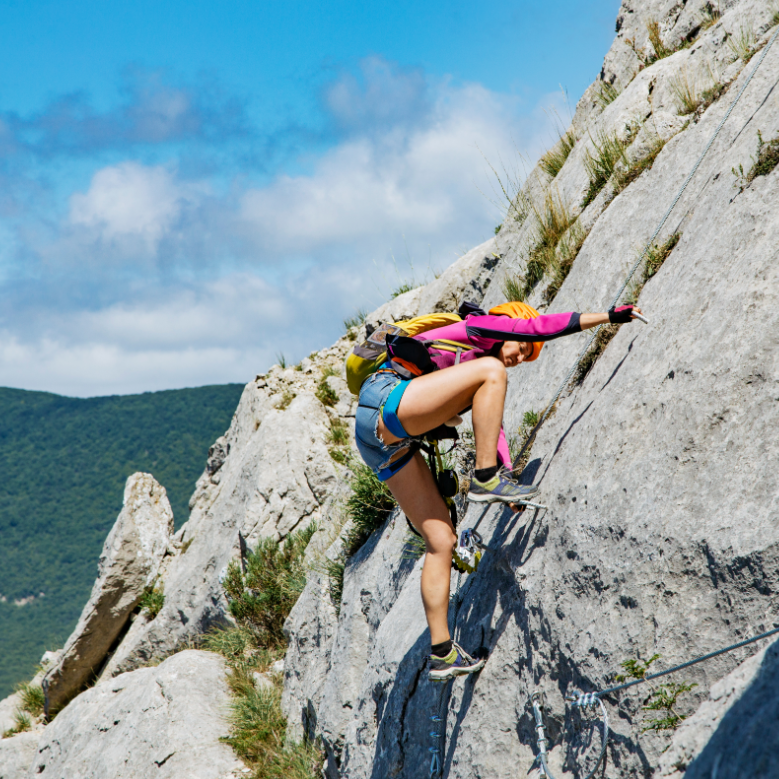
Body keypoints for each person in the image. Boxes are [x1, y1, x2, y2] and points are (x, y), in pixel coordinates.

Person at [354, 302, 644, 680]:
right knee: (492, 371)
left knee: (441, 539)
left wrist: (506, 481)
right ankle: (484, 478)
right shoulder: (481, 328)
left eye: (525, 357)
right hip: (386, 401)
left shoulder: (474, 372)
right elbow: (540, 327)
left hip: (379, 437)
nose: (519, 356)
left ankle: (441, 652)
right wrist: (608, 316)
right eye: (521, 347)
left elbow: (494, 430)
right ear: (510, 326)